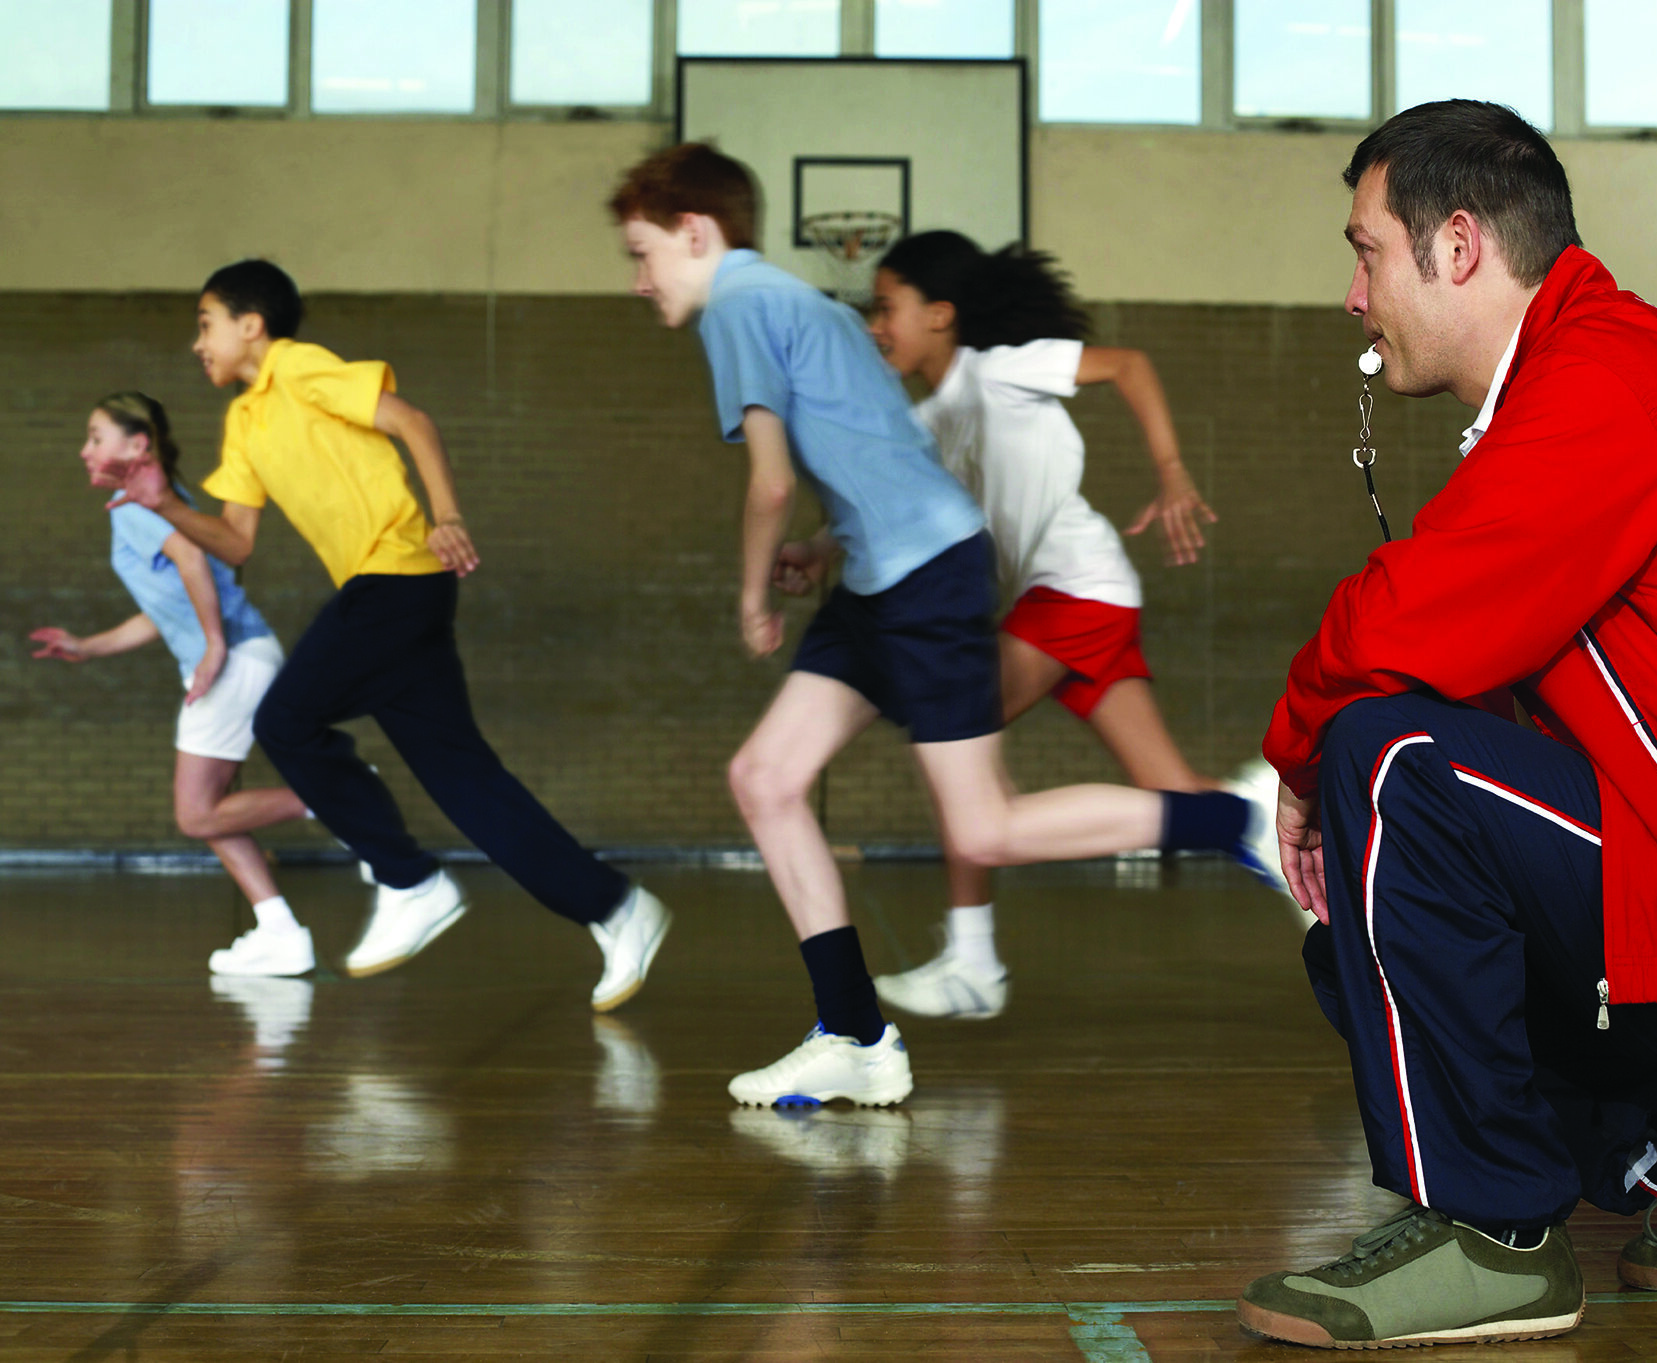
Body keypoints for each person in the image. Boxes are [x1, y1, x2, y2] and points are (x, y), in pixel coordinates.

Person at [1236, 100, 1657, 1349]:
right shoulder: (1572, 381)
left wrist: (1296, 762)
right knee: (1356, 926)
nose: (1352, 294)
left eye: (1364, 251)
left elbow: (1406, 622)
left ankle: (1496, 1237)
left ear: (1457, 246)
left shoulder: (1604, 378)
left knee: (1385, 760)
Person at [608, 144, 1277, 1107]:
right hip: (888, 576)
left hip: (923, 581)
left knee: (986, 827)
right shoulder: (812, 307)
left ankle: (1232, 816)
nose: (639, 280)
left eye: (644, 254)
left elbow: (769, 479)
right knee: (764, 776)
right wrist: (828, 545)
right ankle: (853, 1033)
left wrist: (755, 590)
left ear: (697, 234)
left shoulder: (742, 306)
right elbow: (882, 455)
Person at [100, 260, 669, 1013]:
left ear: (252, 325)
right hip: (388, 596)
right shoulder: (242, 420)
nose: (196, 342)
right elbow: (235, 541)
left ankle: (409, 881)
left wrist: (447, 514)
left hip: (397, 575)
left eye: (206, 324)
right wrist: (165, 501)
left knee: (285, 720)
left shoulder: (299, 369)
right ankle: (618, 908)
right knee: (467, 781)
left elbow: (411, 421)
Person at [860, 231, 1293, 1020]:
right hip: (1082, 598)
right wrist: (817, 546)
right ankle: (1276, 826)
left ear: (942, 314)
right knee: (1173, 795)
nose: (874, 324)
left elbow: (1127, 365)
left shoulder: (1000, 369)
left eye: (887, 307)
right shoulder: (930, 422)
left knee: (952, 732)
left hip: (1077, 594)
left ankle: (972, 958)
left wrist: (1170, 472)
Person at [32, 392, 314, 977]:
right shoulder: (152, 502)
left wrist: (213, 646)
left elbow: (190, 563)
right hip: (236, 656)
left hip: (232, 658)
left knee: (195, 814)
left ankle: (337, 799)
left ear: (137, 446)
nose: (85, 450)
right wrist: (90, 646)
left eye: (95, 436)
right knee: (209, 812)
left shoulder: (135, 506)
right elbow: (165, 611)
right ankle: (280, 931)